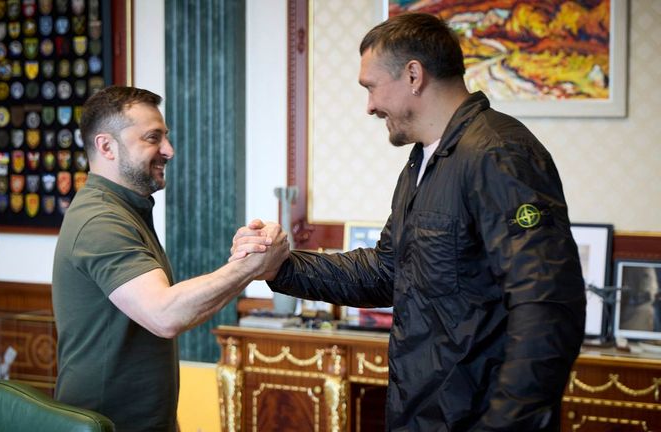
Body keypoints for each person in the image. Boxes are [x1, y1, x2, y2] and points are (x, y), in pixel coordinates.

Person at [232, 12, 586, 431]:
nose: (369, 107)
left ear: (413, 75)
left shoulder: (499, 153)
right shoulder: (422, 161)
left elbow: (546, 304)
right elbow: (386, 271)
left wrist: (508, 423)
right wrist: (283, 267)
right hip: (422, 414)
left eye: (370, 88)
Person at [52, 86, 288, 432]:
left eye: (166, 137)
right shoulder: (100, 219)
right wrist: (249, 264)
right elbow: (165, 315)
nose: (169, 150)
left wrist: (248, 263)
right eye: (153, 138)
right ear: (106, 146)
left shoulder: (126, 209)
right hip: (104, 425)